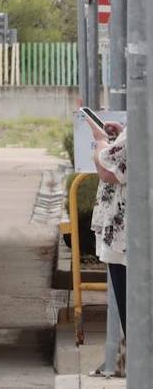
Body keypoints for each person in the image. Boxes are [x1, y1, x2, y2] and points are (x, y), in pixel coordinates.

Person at [90, 118, 128, 335]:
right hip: (129, 236)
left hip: (129, 238)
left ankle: (140, 366)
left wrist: (101, 141)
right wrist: (122, 135)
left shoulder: (146, 117)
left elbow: (108, 169)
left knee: (133, 316)